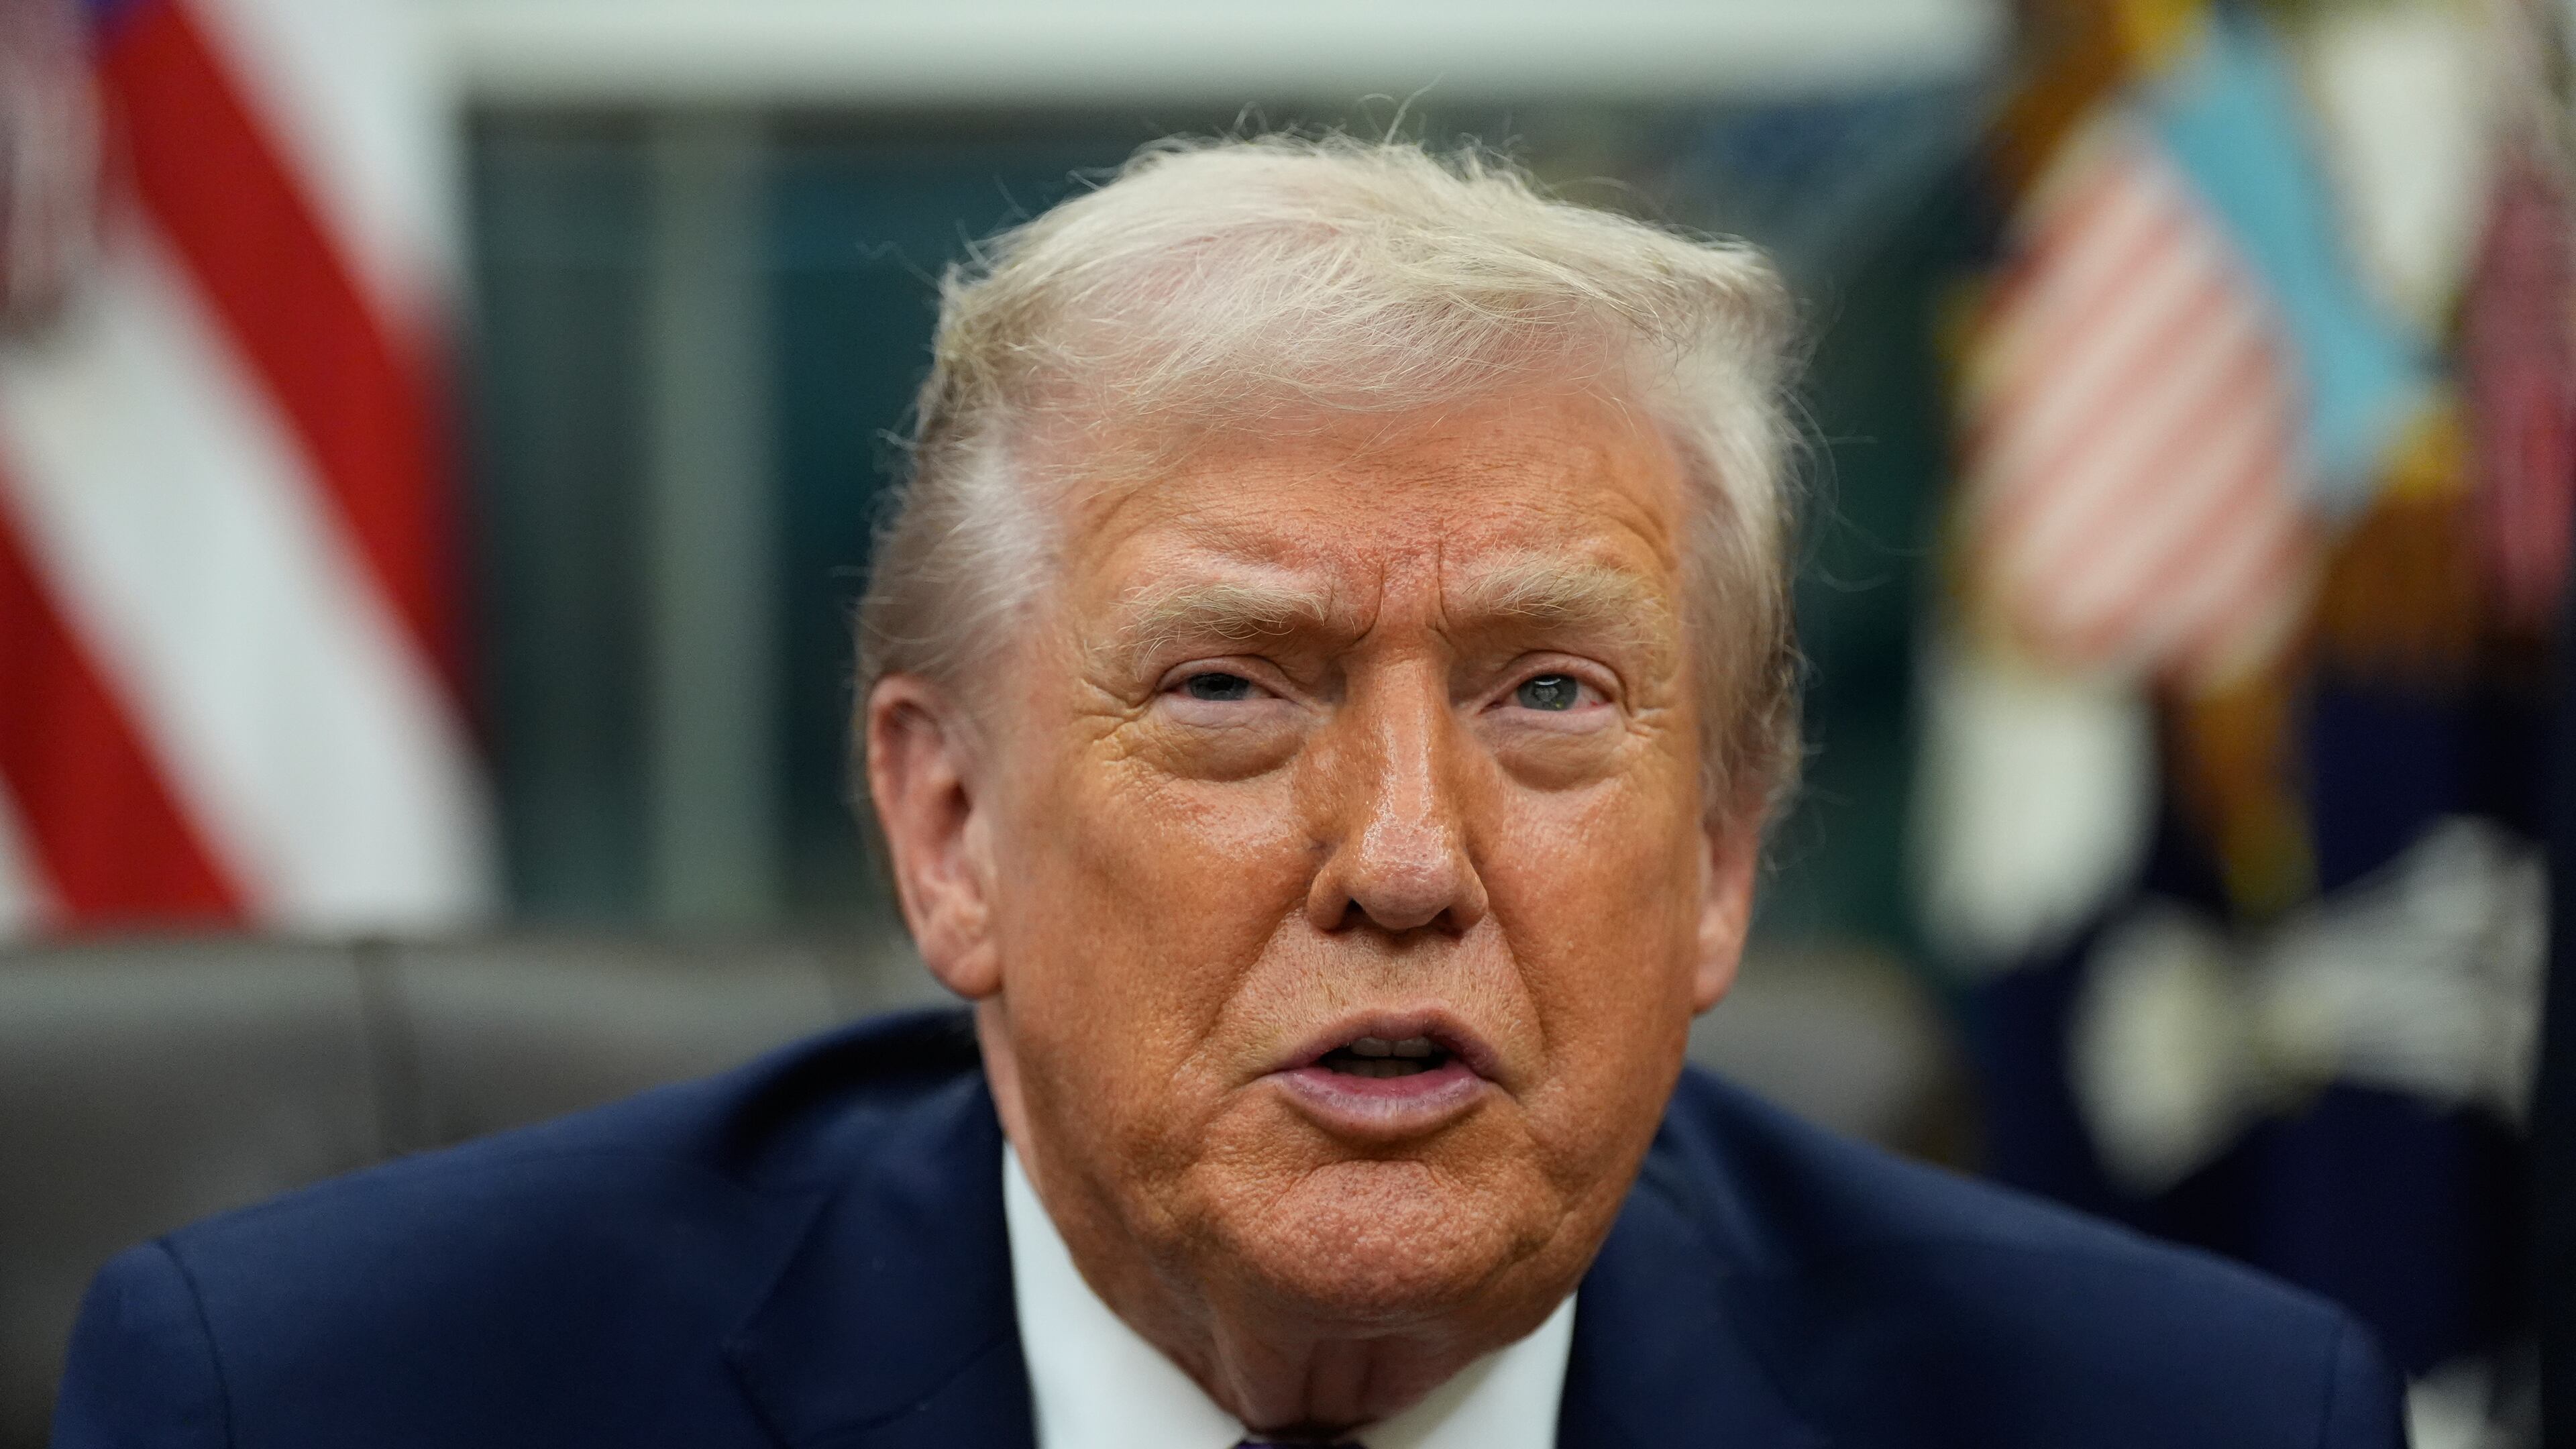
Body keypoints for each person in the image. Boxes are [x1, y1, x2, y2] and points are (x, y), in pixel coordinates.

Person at [53, 134, 2402, 1449]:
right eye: (1232, 690)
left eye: (1555, 694)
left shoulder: (2183, 1424)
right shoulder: (334, 1414)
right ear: (949, 829)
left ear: (1719, 858)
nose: (1404, 859)